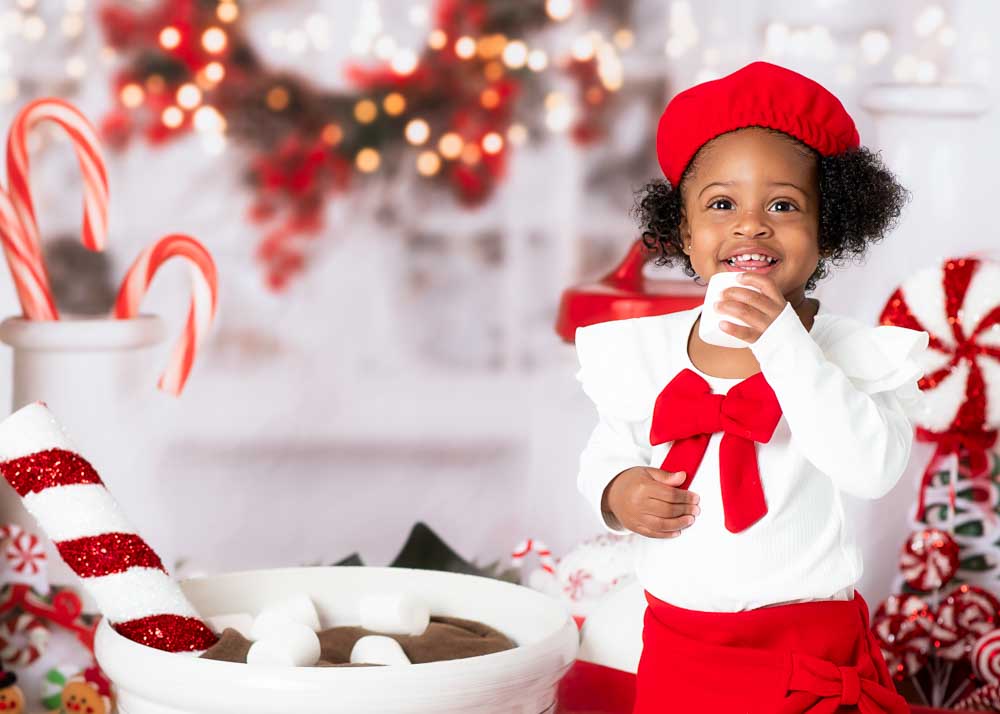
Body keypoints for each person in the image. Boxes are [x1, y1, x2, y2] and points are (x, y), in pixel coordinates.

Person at [574, 61, 928, 713]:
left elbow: (872, 468)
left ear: (827, 228)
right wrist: (617, 488)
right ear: (683, 230)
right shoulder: (643, 352)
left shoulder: (851, 354)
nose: (751, 225)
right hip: (683, 649)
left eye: (784, 205)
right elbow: (607, 448)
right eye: (721, 204)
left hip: (805, 654)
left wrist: (783, 344)